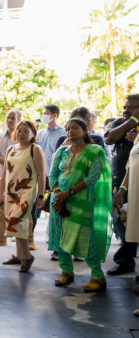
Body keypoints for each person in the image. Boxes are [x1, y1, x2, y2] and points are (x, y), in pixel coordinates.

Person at [49, 118, 113, 291]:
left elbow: (92, 177)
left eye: (75, 128)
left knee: (86, 238)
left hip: (82, 201)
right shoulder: (62, 151)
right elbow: (52, 175)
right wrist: (58, 195)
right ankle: (66, 271)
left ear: (85, 131)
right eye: (68, 128)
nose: (70, 131)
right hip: (59, 202)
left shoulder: (94, 150)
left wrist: (68, 193)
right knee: (60, 237)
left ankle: (98, 277)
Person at [0, 121, 46, 272]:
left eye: (26, 131)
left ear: (33, 134)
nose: (22, 134)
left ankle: (26, 256)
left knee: (16, 221)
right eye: (20, 131)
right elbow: (5, 173)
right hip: (11, 192)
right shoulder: (10, 149)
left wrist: (41, 195)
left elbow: (41, 174)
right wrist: (1, 194)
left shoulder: (35, 149)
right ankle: (19, 255)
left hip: (27, 190)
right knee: (13, 222)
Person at [105, 95, 139, 277]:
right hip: (121, 182)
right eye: (125, 106)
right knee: (121, 220)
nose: (126, 110)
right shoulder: (120, 122)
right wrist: (132, 119)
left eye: (132, 107)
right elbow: (110, 138)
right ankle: (125, 261)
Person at [36, 104, 67, 258]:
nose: (43, 116)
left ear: (54, 115)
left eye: (46, 113)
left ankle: (56, 244)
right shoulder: (40, 133)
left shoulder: (63, 133)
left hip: (57, 179)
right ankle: (31, 238)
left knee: (56, 209)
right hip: (42, 177)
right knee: (39, 206)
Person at [0, 110, 21, 245]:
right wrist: (9, 161)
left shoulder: (22, 136)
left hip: (18, 178)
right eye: (8, 118)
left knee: (17, 208)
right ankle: (0, 236)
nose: (9, 120)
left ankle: (18, 235)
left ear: (18, 120)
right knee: (0, 206)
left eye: (13, 118)